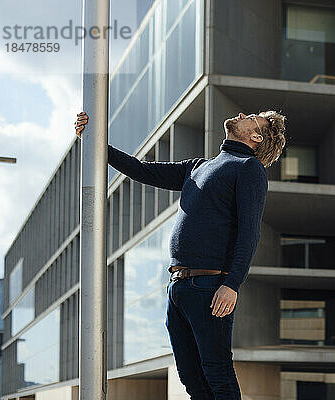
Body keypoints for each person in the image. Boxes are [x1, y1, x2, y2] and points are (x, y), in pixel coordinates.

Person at [74, 109, 286, 399]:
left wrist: (232, 284)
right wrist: (95, 140)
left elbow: (250, 233)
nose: (241, 114)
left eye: (252, 118)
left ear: (256, 136)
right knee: (190, 377)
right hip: (179, 286)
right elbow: (141, 170)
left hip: (211, 287)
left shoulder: (248, 168)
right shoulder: (197, 166)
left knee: (217, 373)